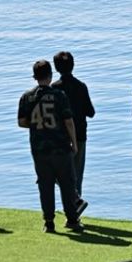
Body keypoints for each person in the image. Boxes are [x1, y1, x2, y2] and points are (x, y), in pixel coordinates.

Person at [17, 59, 84, 233]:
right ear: (50, 75)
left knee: (45, 185)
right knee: (68, 183)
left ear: (34, 77)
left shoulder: (27, 97)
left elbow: (22, 122)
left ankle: (49, 221)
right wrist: (74, 143)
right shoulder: (59, 96)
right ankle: (72, 219)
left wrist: (37, 125)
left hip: (39, 149)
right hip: (60, 146)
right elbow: (68, 121)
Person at [51, 51, 94, 214]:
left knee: (59, 172)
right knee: (76, 175)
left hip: (59, 137)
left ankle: (71, 207)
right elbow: (91, 112)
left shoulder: (54, 88)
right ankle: (75, 208)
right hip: (80, 135)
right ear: (73, 65)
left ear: (56, 68)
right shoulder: (81, 86)